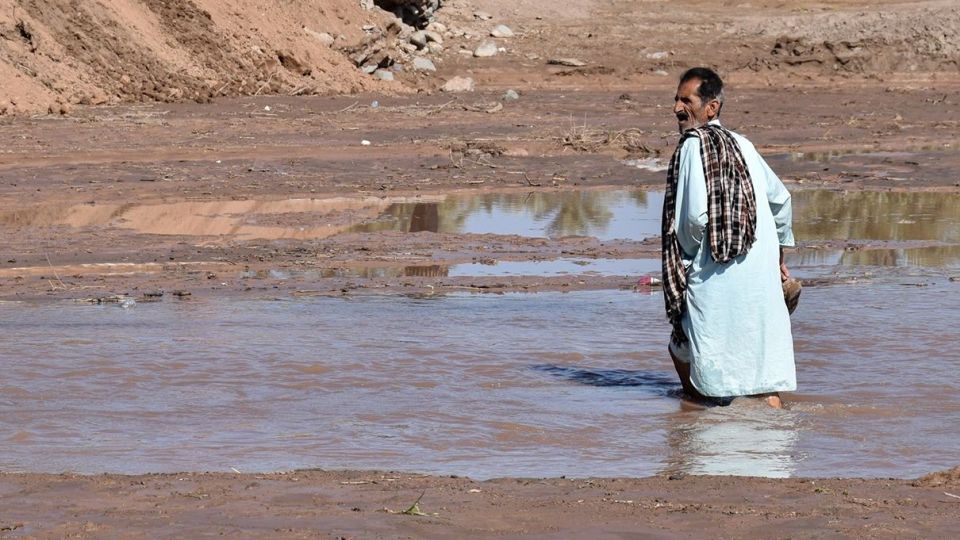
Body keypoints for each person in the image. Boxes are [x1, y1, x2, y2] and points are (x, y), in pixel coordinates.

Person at [661, 67, 796, 409]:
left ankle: (694, 414)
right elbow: (781, 200)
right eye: (676, 99)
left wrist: (688, 262)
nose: (677, 108)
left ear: (712, 108)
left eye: (686, 100)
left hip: (713, 272)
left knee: (687, 350)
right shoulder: (744, 144)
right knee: (763, 379)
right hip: (759, 273)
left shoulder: (693, 147)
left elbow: (692, 219)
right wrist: (778, 255)